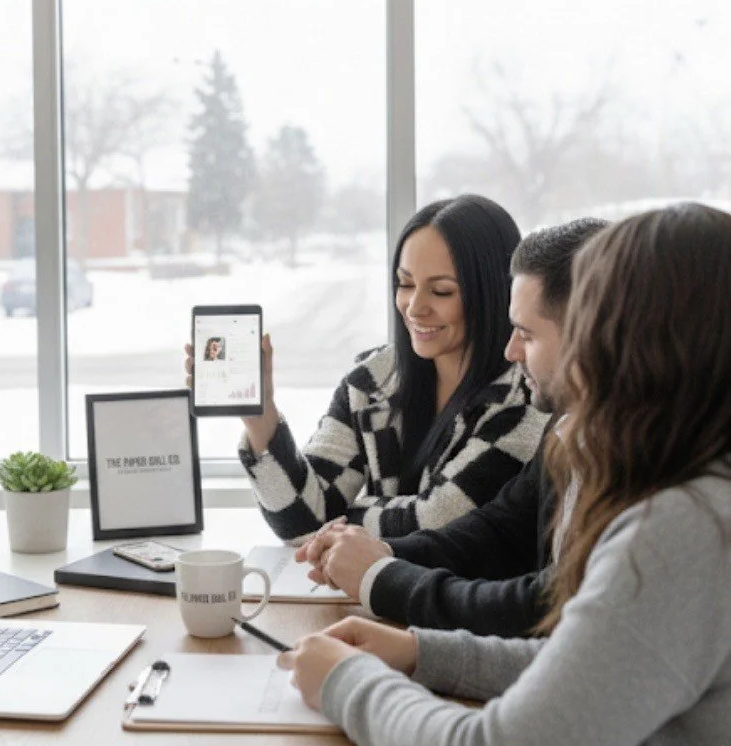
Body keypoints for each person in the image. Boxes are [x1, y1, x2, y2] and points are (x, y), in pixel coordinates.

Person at [281, 202, 731, 746]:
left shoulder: (684, 529)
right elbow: (587, 666)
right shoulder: (683, 489)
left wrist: (348, 683)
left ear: (637, 346)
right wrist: (422, 652)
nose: (516, 353)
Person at [296, 218, 607, 636]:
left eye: (526, 335)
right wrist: (384, 550)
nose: (511, 351)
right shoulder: (572, 427)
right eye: (405, 284)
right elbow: (499, 530)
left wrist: (378, 575)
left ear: (589, 335)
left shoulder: (645, 460)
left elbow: (549, 605)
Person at [210, 195, 548, 541]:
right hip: (373, 590)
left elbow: (439, 522)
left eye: (441, 291)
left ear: (494, 292)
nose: (415, 308)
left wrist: (333, 520)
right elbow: (300, 517)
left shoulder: (527, 400)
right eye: (405, 284)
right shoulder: (372, 381)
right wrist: (260, 416)